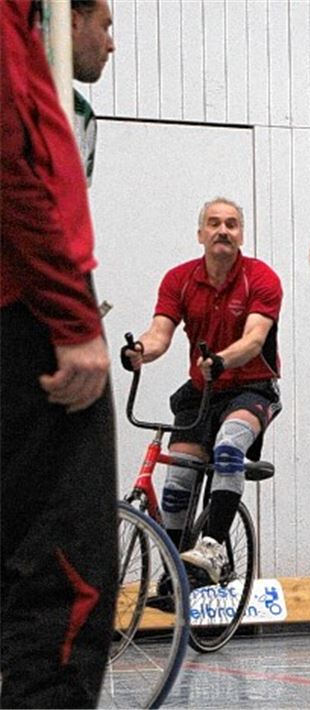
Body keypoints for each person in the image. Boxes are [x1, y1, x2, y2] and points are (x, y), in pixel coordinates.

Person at [1, 0, 118, 705]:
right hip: (28, 309)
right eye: (104, 22)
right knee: (64, 574)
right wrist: (72, 314)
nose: (111, 42)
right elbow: (11, 165)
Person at [123, 198, 283, 587]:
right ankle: (174, 572)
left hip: (251, 387)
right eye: (213, 224)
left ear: (241, 234)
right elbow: (160, 334)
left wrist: (223, 360)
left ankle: (212, 545)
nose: (222, 230)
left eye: (231, 224)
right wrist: (140, 352)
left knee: (229, 445)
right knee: (179, 476)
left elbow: (254, 339)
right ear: (201, 234)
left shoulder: (260, 278)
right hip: (202, 392)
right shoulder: (179, 279)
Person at [69, 0, 114, 185]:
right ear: (73, 22)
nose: (111, 45)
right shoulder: (14, 100)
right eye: (104, 27)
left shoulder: (83, 116)